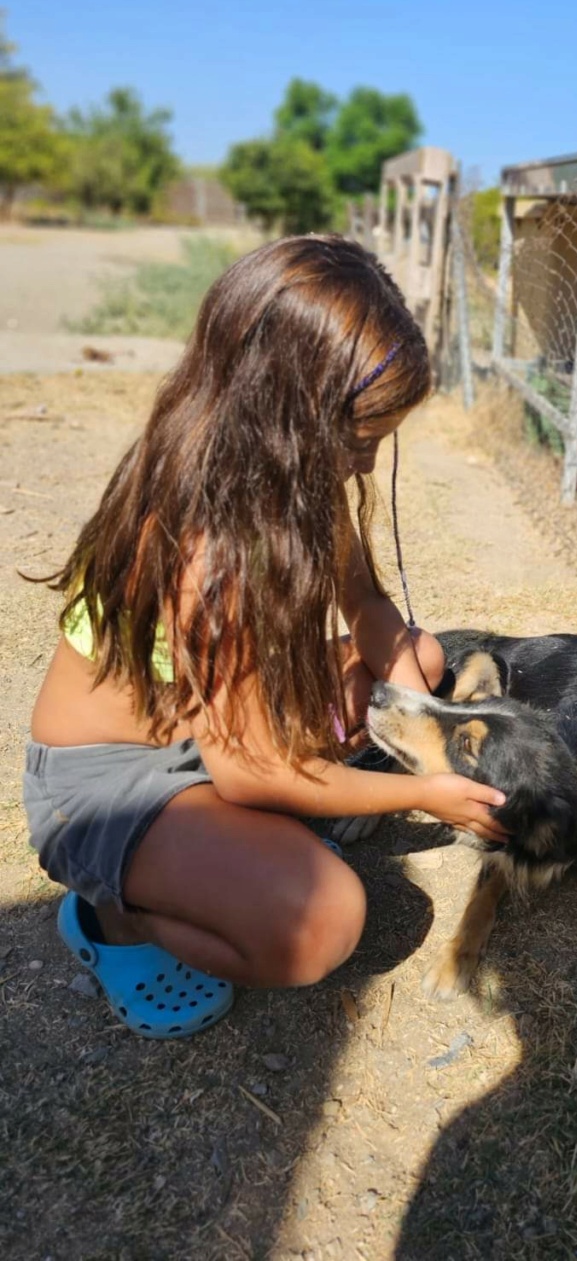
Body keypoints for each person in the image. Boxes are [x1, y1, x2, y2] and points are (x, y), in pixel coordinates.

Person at [22, 235, 507, 1040]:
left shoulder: (284, 478)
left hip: (206, 735)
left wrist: (415, 702)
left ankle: (224, 852)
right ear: (289, 418)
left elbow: (364, 601)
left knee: (418, 658)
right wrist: (423, 790)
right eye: (360, 439)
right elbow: (249, 771)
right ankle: (114, 916)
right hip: (107, 785)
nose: (366, 464)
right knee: (324, 920)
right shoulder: (211, 548)